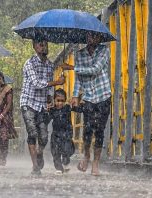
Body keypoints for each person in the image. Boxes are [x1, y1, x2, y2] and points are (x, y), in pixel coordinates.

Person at [20, 38, 66, 175]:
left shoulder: (50, 65)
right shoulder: (29, 64)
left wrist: (51, 98)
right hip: (28, 102)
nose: (43, 46)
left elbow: (49, 89)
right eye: (40, 44)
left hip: (41, 105)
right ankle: (35, 166)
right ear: (34, 46)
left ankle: (39, 153)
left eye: (46, 44)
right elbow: (37, 83)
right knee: (33, 133)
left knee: (44, 136)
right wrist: (56, 81)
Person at [68, 32, 111, 176]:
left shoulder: (104, 50)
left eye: (96, 36)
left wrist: (72, 68)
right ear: (86, 37)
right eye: (90, 36)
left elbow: (96, 70)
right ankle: (86, 155)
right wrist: (75, 95)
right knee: (88, 130)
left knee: (99, 131)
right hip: (88, 97)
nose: (93, 38)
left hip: (103, 94)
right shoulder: (79, 54)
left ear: (100, 37)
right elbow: (79, 78)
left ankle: (95, 163)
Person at [47, 89, 82, 175]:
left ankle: (66, 162)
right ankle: (59, 168)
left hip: (67, 134)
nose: (60, 103)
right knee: (55, 152)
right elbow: (46, 120)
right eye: (58, 101)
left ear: (65, 100)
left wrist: (79, 100)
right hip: (55, 135)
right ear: (54, 101)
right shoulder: (52, 110)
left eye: (62, 101)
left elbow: (79, 110)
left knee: (66, 151)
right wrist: (46, 111)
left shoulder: (67, 108)